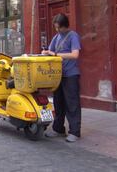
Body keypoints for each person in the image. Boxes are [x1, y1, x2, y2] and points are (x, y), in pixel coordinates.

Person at [42, 13, 82, 143]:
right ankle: (58, 128)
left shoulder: (73, 36)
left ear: (65, 25)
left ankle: (74, 131)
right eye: (56, 28)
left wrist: (56, 54)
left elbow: (75, 55)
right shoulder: (56, 37)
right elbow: (50, 51)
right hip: (58, 74)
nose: (57, 30)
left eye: (59, 28)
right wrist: (46, 53)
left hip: (70, 75)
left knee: (72, 104)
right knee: (58, 103)